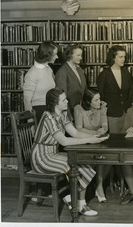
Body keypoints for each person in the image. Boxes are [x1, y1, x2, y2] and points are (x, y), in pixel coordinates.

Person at [31, 88, 109, 216]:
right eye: (64, 99)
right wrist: (89, 139)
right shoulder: (48, 117)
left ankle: (77, 201)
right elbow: (64, 141)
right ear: (56, 103)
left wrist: (95, 138)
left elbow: (75, 133)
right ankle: (80, 204)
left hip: (53, 154)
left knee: (83, 162)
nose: (67, 101)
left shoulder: (63, 114)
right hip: (41, 158)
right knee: (75, 166)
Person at [73, 87, 111, 203]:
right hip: (83, 141)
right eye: (96, 100)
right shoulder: (78, 109)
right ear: (88, 102)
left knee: (106, 160)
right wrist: (95, 133)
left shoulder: (101, 107)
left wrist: (102, 131)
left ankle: (99, 186)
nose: (99, 102)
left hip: (97, 141)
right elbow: (79, 129)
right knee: (92, 160)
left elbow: (105, 126)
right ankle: (88, 189)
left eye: (99, 98)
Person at [97, 45, 133, 134]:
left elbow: (131, 93)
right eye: (120, 57)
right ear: (113, 57)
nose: (123, 59)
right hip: (112, 115)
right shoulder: (104, 75)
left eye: (124, 57)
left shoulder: (126, 74)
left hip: (127, 113)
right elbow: (100, 96)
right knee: (114, 141)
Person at [23, 41, 58, 123]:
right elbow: (26, 100)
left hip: (49, 109)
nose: (57, 57)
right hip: (39, 112)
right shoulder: (32, 73)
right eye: (55, 54)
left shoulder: (48, 69)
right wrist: (31, 121)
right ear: (47, 55)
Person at [55, 44, 86, 118]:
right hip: (70, 113)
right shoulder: (62, 72)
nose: (81, 58)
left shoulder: (79, 70)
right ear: (70, 55)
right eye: (78, 55)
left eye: (81, 55)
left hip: (80, 111)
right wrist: (68, 118)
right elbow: (61, 99)